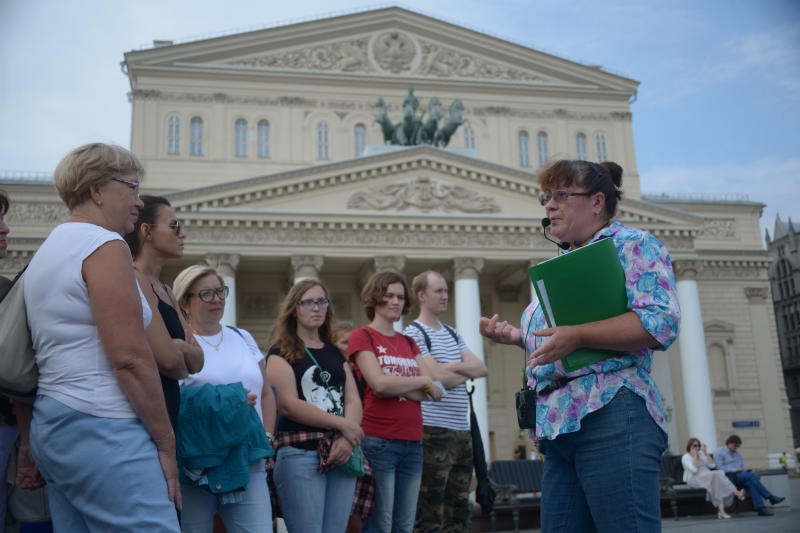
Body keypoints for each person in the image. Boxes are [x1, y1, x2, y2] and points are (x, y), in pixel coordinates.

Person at [479, 160, 681, 532]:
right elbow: (566, 339)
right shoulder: (566, 261)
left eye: (560, 195)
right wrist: (516, 336)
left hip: (612, 413)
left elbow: (661, 322)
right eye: (546, 197)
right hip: (560, 426)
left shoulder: (632, 244)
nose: (549, 205)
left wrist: (580, 335)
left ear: (597, 202)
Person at [23, 143, 180, 532]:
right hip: (104, 425)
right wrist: (165, 441)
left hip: (55, 421)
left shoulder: (50, 249)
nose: (138, 202)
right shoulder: (104, 245)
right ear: (97, 190)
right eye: (131, 188)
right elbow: (129, 357)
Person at [172, 264, 276, 532]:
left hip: (248, 456)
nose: (217, 299)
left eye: (220, 291)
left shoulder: (242, 337)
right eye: (206, 294)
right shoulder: (178, 345)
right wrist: (232, 401)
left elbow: (265, 392)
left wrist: (268, 435)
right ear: (185, 303)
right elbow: (176, 402)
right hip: (199, 460)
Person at [348, 270, 443, 533]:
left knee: (404, 525)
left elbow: (431, 392)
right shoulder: (362, 336)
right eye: (388, 295)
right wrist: (421, 381)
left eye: (400, 297)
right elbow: (378, 385)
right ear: (374, 298)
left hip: (413, 442)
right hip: (379, 441)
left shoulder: (408, 341)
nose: (395, 301)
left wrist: (400, 383)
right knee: (381, 523)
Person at [266, 280, 363, 532]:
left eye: (321, 301)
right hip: (300, 453)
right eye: (307, 302)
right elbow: (288, 405)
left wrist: (347, 440)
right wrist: (344, 425)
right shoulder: (280, 353)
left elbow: (352, 399)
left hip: (341, 451)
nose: (316, 308)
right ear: (294, 309)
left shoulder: (335, 353)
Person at [403, 270, 488, 533]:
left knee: (459, 509)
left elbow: (482, 368)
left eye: (446, 291)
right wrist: (460, 369)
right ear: (421, 295)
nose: (445, 296)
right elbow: (434, 379)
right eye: (438, 291)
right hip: (432, 432)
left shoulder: (452, 333)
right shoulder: (413, 333)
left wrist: (448, 367)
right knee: (430, 511)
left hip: (461, 432)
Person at [124, 196, 204, 432]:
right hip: (144, 416)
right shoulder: (133, 278)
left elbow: (199, 360)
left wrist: (177, 345)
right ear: (146, 231)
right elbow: (169, 361)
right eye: (174, 226)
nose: (182, 234)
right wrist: (178, 352)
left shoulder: (167, 291)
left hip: (169, 409)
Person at [713, 434, 785, 516]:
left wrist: (746, 470)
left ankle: (761, 509)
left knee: (751, 483)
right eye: (735, 446)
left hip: (740, 475)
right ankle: (770, 497)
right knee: (751, 476)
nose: (736, 448)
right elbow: (720, 469)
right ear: (730, 443)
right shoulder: (719, 452)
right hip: (729, 477)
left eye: (737, 446)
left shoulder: (737, 453)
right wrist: (735, 470)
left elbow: (742, 465)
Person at [681, 438, 743, 519]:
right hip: (695, 479)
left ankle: (721, 511)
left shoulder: (701, 454)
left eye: (698, 445)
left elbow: (712, 465)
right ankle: (736, 492)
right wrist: (695, 456)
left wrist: (706, 453)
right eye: (695, 446)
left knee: (717, 485)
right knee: (717, 474)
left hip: (708, 476)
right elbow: (694, 470)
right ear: (690, 446)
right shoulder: (686, 457)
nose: (697, 447)